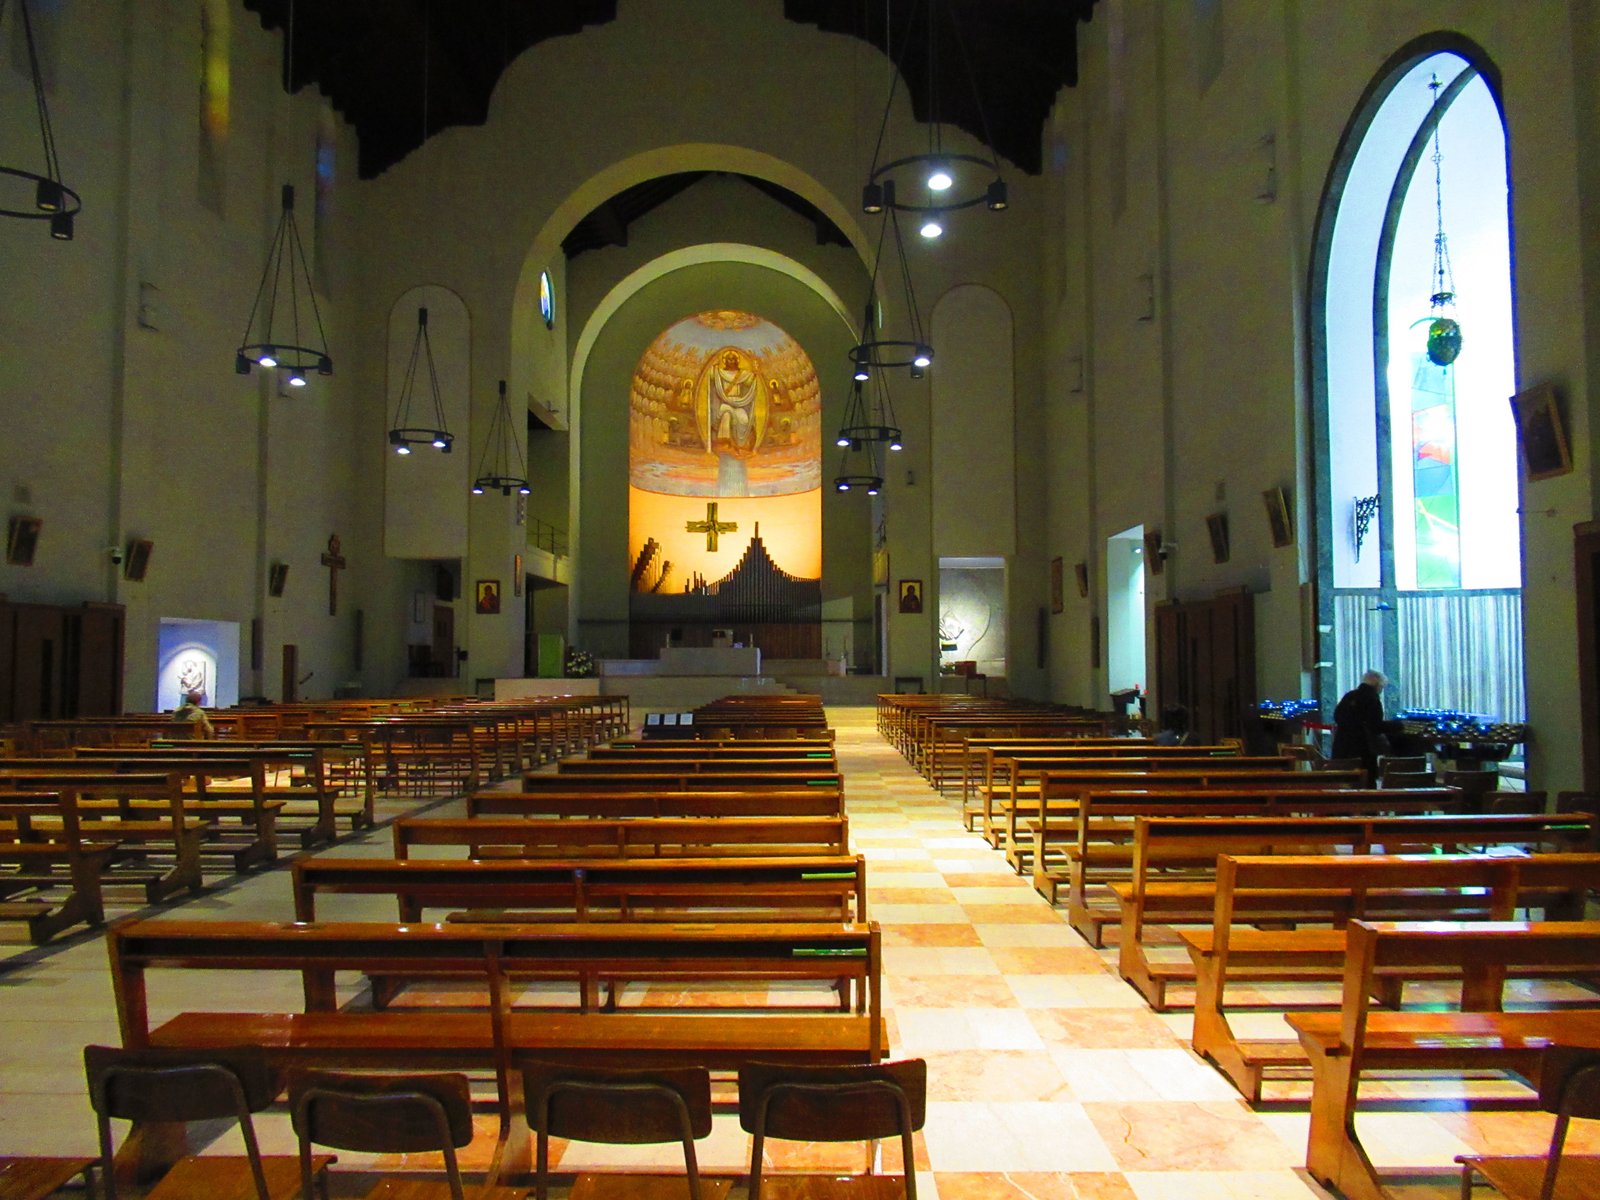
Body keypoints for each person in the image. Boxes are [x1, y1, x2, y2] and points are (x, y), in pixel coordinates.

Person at [1332, 669, 1392, 782]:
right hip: (1363, 750)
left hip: (1342, 747)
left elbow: (1337, 717)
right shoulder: (1373, 699)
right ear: (1377, 685)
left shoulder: (1349, 696)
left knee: (1344, 782)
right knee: (1365, 782)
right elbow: (1375, 726)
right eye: (1382, 687)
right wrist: (1397, 725)